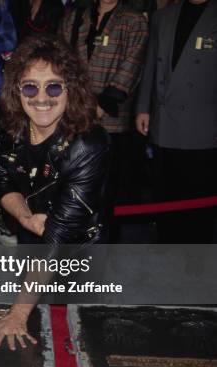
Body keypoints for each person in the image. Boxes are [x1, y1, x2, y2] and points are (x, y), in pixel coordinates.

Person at [0, 34, 111, 349]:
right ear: (17, 91)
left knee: (75, 343)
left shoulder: (88, 145)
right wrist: (25, 218)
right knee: (34, 341)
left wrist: (17, 314)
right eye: (30, 87)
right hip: (32, 240)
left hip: (78, 252)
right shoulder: (11, 128)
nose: (42, 97)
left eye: (54, 86)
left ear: (71, 90)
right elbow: (3, 182)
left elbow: (59, 236)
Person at [135, 0, 217, 243]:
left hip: (203, 122)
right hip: (164, 121)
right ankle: (166, 246)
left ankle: (195, 256)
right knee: (164, 192)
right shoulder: (163, 16)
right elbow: (149, 65)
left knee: (198, 195)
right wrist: (143, 108)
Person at [60, 0, 148, 204]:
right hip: (74, 113)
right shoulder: (73, 18)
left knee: (108, 185)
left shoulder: (134, 20)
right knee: (75, 180)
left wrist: (102, 105)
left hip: (111, 116)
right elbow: (62, 61)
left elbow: (133, 64)